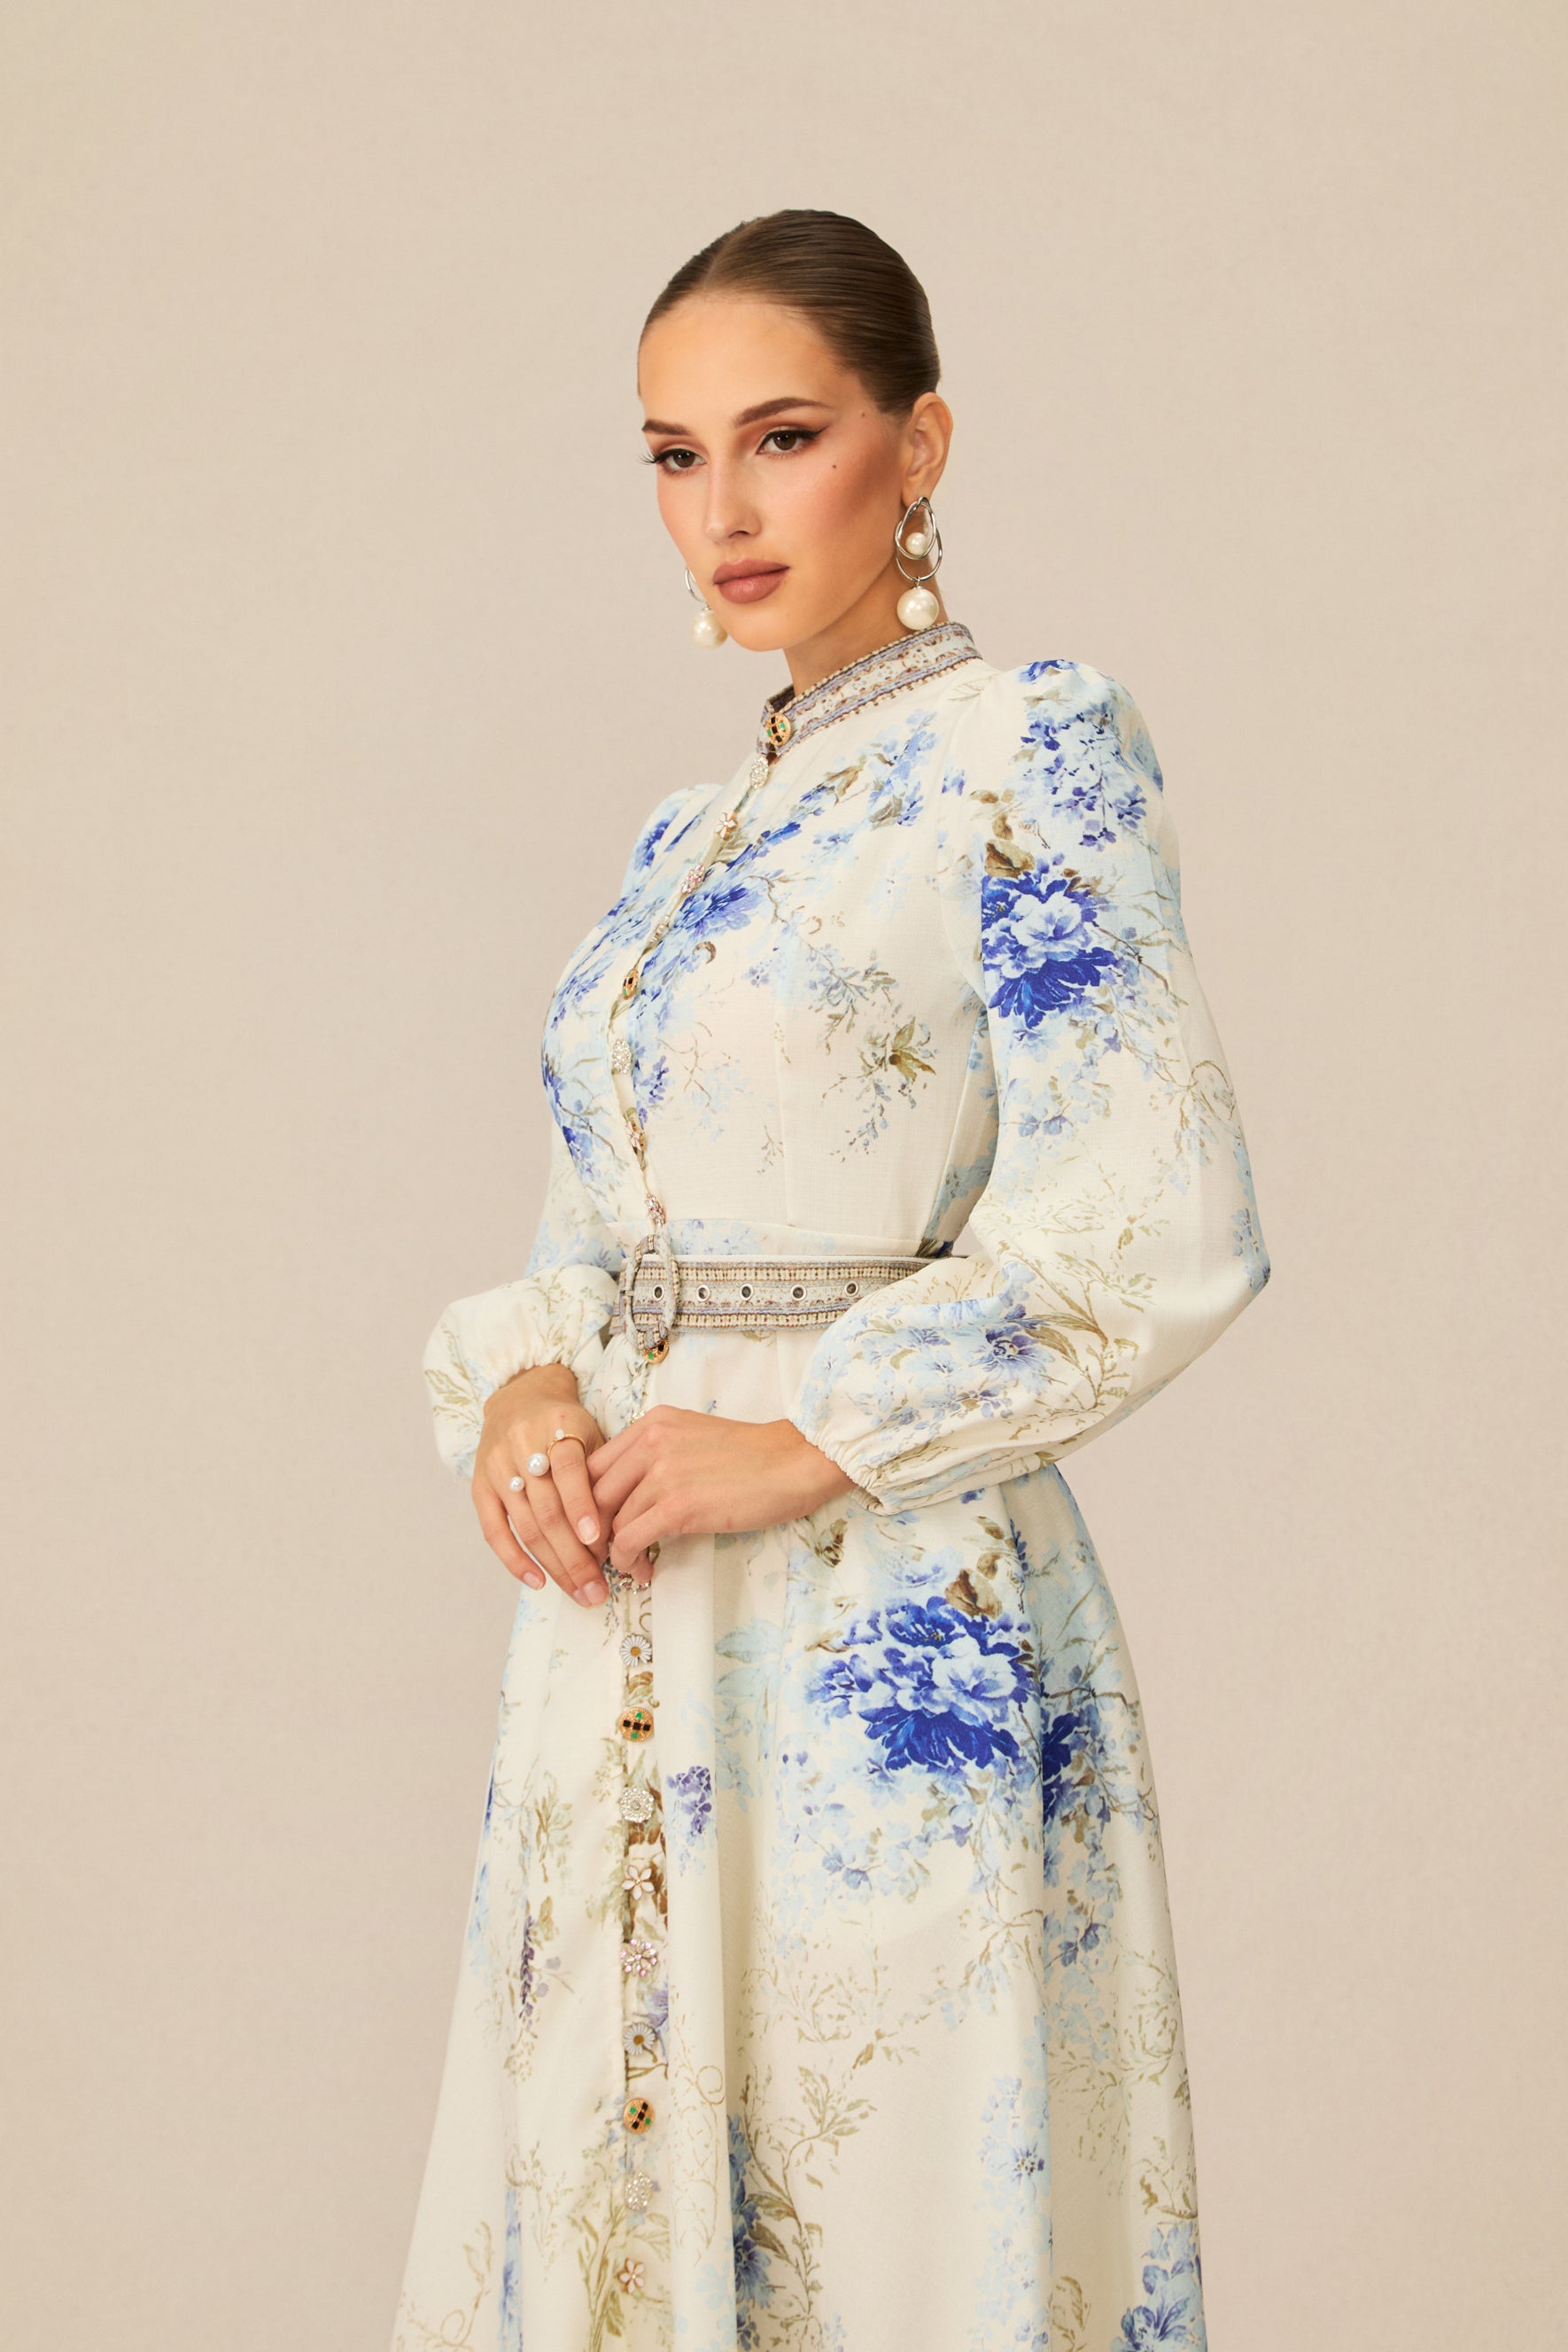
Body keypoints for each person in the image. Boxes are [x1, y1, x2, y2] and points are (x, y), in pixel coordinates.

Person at [392, 208, 1269, 2352]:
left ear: (919, 443)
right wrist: (524, 1391)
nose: (725, 507)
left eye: (782, 437)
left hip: (886, 1606)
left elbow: (1151, 1211)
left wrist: (801, 1437)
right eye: (674, 455)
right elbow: (595, 1238)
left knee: (882, 2218)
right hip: (624, 1630)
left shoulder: (1029, 749)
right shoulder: (675, 840)